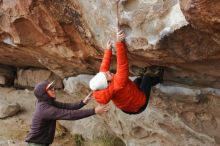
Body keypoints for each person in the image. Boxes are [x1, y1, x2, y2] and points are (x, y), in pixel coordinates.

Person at [89, 31, 162, 115]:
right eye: (107, 75)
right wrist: (119, 43)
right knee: (146, 79)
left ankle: (140, 77)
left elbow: (103, 68)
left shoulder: (101, 87)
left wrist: (108, 50)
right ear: (108, 83)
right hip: (138, 105)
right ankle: (159, 78)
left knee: (138, 80)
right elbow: (122, 63)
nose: (108, 72)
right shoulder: (118, 83)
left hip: (126, 106)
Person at [25, 80, 109, 146]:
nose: (53, 89)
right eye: (50, 89)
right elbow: (70, 115)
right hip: (36, 143)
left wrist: (83, 102)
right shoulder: (45, 109)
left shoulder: (47, 102)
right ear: (44, 94)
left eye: (52, 87)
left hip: (40, 142)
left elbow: (66, 106)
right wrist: (94, 111)